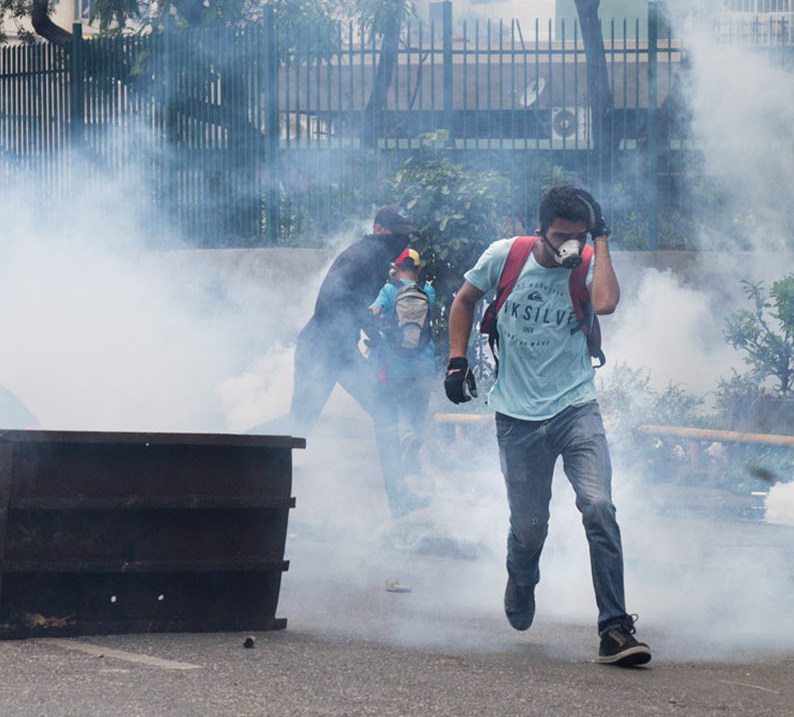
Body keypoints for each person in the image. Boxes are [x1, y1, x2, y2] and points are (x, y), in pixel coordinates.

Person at [443, 185, 651, 667]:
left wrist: (600, 241)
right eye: (561, 237)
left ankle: (615, 629)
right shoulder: (505, 256)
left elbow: (605, 305)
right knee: (530, 528)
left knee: (599, 508)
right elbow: (463, 301)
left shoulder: (585, 261)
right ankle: (521, 578)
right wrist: (457, 362)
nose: (569, 247)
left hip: (576, 409)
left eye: (579, 236)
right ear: (539, 230)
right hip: (516, 419)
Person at [258, 206, 424, 516]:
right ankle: (233, 448)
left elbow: (350, 303)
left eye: (407, 237)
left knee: (383, 410)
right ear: (380, 230)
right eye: (399, 236)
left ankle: (400, 499)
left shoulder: (374, 257)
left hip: (338, 351)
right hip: (322, 350)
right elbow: (331, 301)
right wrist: (366, 323)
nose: (404, 243)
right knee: (300, 424)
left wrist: (370, 330)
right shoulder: (364, 255)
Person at [366, 248, 438, 495]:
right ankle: (413, 455)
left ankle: (405, 443)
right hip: (424, 364)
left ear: (396, 268)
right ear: (418, 269)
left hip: (395, 364)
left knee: (398, 409)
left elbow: (373, 313)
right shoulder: (428, 291)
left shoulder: (388, 290)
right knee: (418, 410)